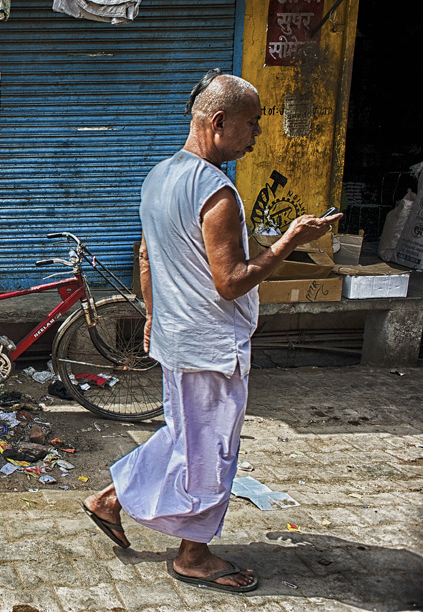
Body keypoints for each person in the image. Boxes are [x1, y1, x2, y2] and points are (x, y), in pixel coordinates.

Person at [81, 70, 341, 593]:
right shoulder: (216, 191)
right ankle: (193, 555)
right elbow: (231, 282)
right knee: (211, 451)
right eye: (252, 123)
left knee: (186, 438)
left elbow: (145, 255)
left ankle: (110, 499)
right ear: (219, 122)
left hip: (179, 339)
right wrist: (289, 238)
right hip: (210, 345)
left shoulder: (159, 176)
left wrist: (153, 315)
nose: (256, 135)